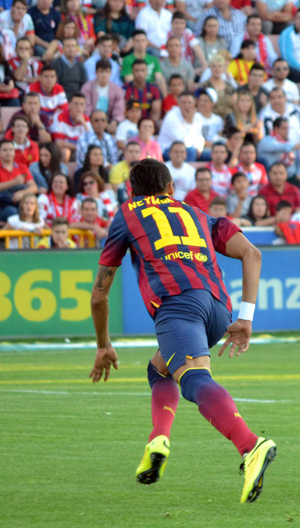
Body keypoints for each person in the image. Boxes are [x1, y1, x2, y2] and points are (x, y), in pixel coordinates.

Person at [90, 158, 276, 502]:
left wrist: (103, 345)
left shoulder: (128, 214)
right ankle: (158, 439)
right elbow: (252, 253)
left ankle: (251, 445)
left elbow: (99, 296)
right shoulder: (196, 212)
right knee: (159, 368)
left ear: (132, 192)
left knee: (193, 380)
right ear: (171, 188)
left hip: (177, 306)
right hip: (219, 308)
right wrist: (246, 318)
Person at [0, 139, 37, 221]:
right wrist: (14, 182)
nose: (8, 152)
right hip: (2, 206)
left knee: (25, 191)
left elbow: (34, 187)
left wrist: (21, 193)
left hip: (20, 203)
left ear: (14, 152)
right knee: (14, 212)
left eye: (11, 150)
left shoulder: (22, 167)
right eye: (5, 150)